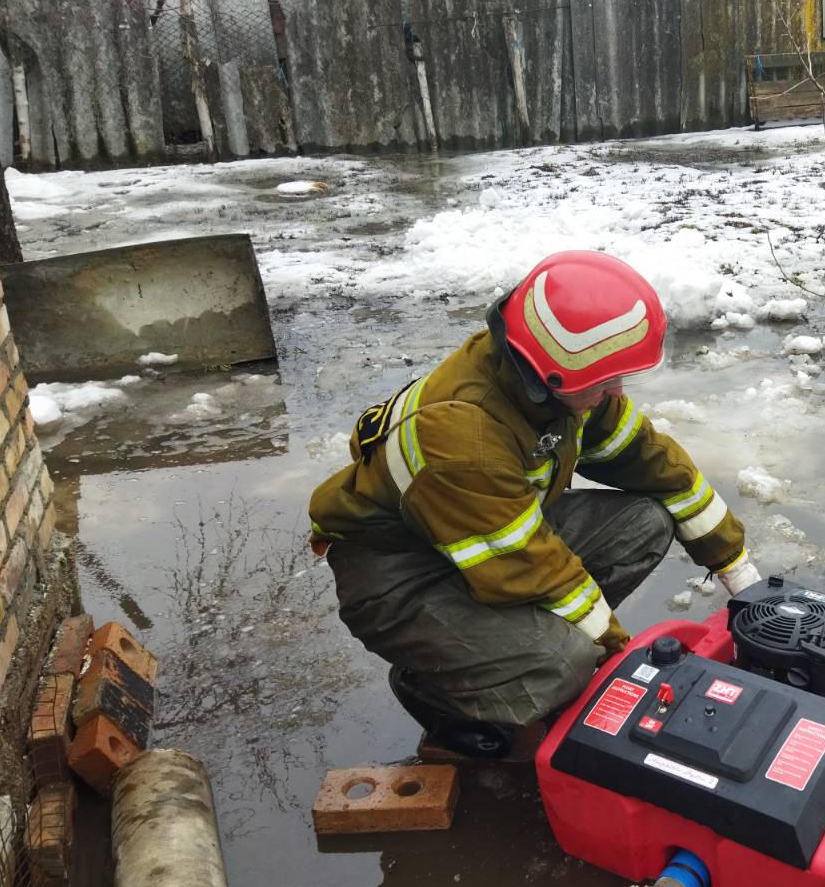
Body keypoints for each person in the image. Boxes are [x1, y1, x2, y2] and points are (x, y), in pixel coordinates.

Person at [308, 250, 760, 758]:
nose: (616, 390)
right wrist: (621, 659)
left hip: (485, 538)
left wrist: (742, 578)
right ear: (553, 373)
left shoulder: (554, 388)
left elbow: (654, 463)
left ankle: (512, 652)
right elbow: (526, 564)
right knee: (564, 663)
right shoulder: (461, 435)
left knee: (645, 522)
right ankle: (442, 693)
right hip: (399, 578)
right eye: (605, 380)